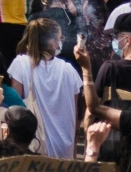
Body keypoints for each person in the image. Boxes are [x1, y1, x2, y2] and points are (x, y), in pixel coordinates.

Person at [6, 17, 83, 157]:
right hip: (64, 149)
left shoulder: (21, 64)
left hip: (33, 147)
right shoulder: (69, 70)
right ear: (53, 42)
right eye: (60, 37)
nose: (61, 41)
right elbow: (75, 113)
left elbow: (15, 109)